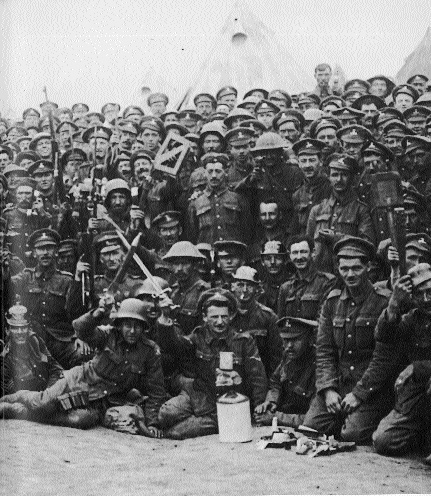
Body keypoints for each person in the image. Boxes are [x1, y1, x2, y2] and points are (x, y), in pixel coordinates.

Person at [0, 298, 167, 436]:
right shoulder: (108, 336)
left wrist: (153, 423)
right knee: (42, 403)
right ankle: (18, 397)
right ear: (120, 325)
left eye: (137, 326)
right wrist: (98, 313)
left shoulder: (150, 352)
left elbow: (156, 391)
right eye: (127, 325)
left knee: (79, 420)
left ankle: (20, 412)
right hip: (78, 382)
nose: (132, 331)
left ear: (144, 328)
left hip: (101, 401)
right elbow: (80, 329)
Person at [302, 236, 392, 443]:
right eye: (344, 269)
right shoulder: (332, 302)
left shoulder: (382, 302)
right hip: (340, 384)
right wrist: (328, 390)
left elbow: (384, 358)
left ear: (368, 267)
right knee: (311, 427)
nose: (349, 274)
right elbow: (324, 350)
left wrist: (359, 394)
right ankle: (344, 417)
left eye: (356, 268)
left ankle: (362, 419)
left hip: (370, 389)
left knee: (350, 434)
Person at [157, 289, 268, 439]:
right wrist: (165, 316)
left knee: (176, 432)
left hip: (228, 404)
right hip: (201, 397)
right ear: (204, 317)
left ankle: (214, 423)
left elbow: (257, 377)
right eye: (214, 317)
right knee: (165, 414)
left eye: (224, 316)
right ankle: (203, 420)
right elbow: (173, 346)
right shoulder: (197, 337)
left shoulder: (243, 342)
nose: (220, 322)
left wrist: (259, 407)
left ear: (232, 316)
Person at [358, 263, 431, 457]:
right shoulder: (414, 319)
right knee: (383, 441)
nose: (426, 299)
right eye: (419, 294)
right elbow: (384, 338)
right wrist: (394, 303)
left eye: (430, 292)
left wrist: (418, 367)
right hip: (417, 395)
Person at [10, 229, 89, 369]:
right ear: (34, 253)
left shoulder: (67, 280)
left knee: (82, 355)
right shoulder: (26, 276)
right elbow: (8, 289)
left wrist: (80, 337)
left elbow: (76, 312)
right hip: (31, 339)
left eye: (49, 248)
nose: (45, 252)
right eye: (41, 248)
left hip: (60, 340)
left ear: (56, 251)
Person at [306, 153, 375, 273]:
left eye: (344, 175)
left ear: (352, 177)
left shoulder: (361, 210)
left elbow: (367, 245)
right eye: (335, 175)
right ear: (328, 177)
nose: (339, 179)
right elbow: (308, 244)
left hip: (349, 274)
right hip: (321, 276)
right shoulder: (317, 210)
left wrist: (337, 238)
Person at [1, 302, 64, 413]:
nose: (20, 332)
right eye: (15, 328)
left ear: (28, 328)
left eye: (23, 327)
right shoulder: (4, 357)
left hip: (45, 395)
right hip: (24, 402)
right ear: (7, 330)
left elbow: (55, 369)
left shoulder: (35, 341)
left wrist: (49, 393)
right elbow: (10, 394)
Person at [254, 316, 316, 427]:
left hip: (304, 427)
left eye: (296, 339)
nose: (289, 346)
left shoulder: (318, 367)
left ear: (310, 339)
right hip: (286, 420)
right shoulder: (289, 357)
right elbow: (275, 382)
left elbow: (313, 420)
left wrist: (276, 418)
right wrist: (271, 402)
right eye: (286, 340)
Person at [187, 153, 252, 245]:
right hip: (207, 255)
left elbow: (247, 232)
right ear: (205, 174)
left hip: (232, 254)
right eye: (210, 171)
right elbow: (192, 235)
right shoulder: (196, 202)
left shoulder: (238, 198)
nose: (214, 175)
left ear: (225, 172)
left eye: (218, 171)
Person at [230, 266, 282, 377]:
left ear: (257, 288)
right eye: (240, 284)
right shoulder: (224, 315)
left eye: (249, 285)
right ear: (232, 287)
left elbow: (276, 357)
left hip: (260, 378)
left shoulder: (268, 317)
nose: (244, 290)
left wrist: (272, 386)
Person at [278, 235, 335, 321]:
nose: (299, 257)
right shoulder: (285, 288)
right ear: (289, 255)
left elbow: (326, 321)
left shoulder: (327, 282)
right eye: (295, 253)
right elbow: (281, 323)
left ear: (313, 253)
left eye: (303, 252)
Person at [162, 241, 210, 335]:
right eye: (176, 264)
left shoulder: (205, 293)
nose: (179, 268)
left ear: (195, 265)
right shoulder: (172, 292)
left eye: (184, 263)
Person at [291, 138, 331, 236]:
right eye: (303, 161)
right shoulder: (298, 194)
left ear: (321, 161)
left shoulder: (331, 188)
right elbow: (296, 228)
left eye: (312, 160)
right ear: (299, 164)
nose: (307, 165)